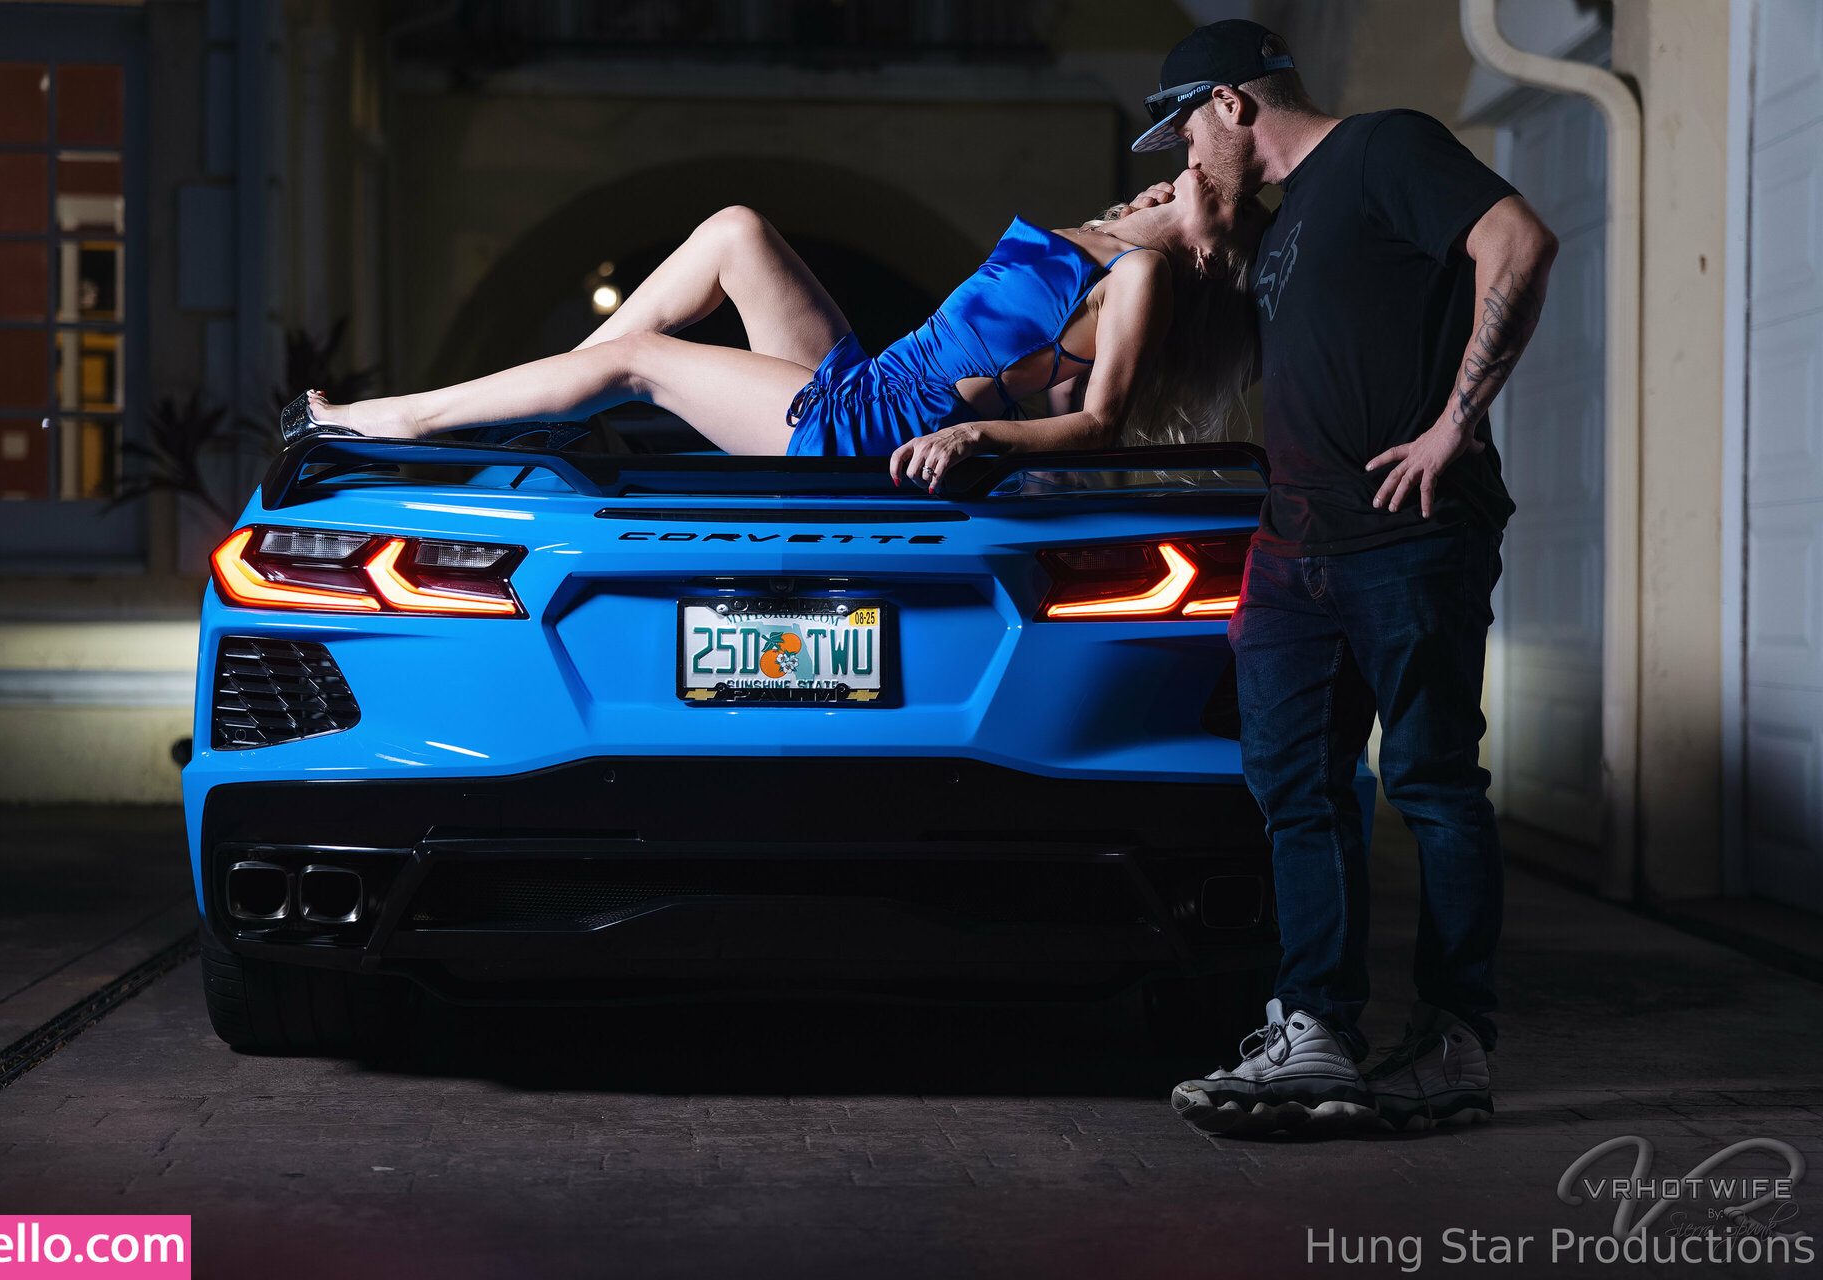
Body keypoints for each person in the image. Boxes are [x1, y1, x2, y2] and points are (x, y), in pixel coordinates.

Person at [1134, 20, 1559, 1135]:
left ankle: (1453, 1039)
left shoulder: (1383, 148)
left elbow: (1519, 242)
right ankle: (1315, 1032)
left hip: (1407, 536)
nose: (1188, 157)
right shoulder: (1279, 228)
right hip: (1292, 554)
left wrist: (1453, 427)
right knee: (1296, 789)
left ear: (1231, 104)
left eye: (1187, 133)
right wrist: (1187, 233)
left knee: (1430, 781)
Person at [288, 174, 1264, 491]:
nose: (1182, 174)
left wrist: (977, 436)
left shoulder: (1141, 277)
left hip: (888, 424)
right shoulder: (1111, 243)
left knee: (639, 361)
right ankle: (555, 407)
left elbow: (1097, 424)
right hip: (878, 381)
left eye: (1206, 188)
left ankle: (389, 421)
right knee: (736, 231)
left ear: (1210, 241)